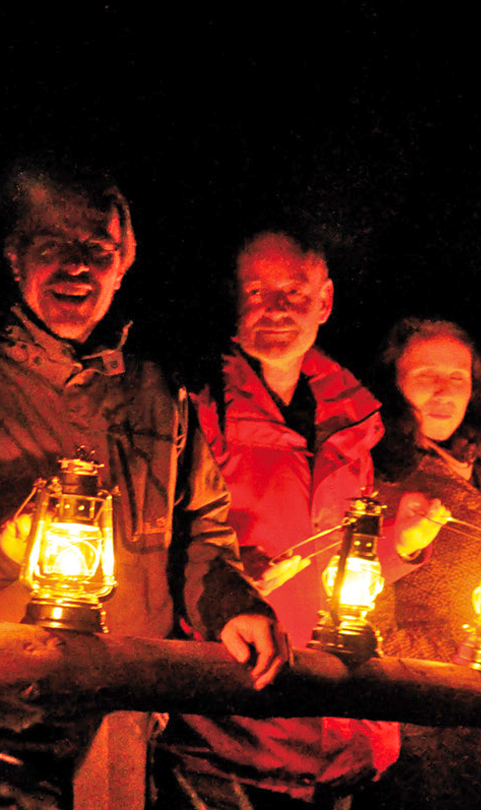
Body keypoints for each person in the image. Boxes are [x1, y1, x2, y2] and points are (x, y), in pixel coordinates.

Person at [0, 157, 287, 810]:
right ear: (14, 258)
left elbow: (200, 535)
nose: (76, 266)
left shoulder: (159, 394)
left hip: (127, 708)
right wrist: (3, 555)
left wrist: (232, 606)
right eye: (53, 247)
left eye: (96, 250)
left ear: (122, 266)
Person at [156, 232, 442, 810]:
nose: (276, 308)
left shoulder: (353, 412)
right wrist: (229, 590)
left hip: (340, 731)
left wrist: (398, 544)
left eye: (294, 290)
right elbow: (162, 550)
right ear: (231, 297)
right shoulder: (190, 404)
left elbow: (337, 567)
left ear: (325, 299)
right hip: (230, 733)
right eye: (256, 290)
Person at [367, 318, 481, 808]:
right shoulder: (379, 475)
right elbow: (359, 616)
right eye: (425, 375)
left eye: (457, 377)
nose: (443, 389)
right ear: (394, 383)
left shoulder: (469, 468)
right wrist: (455, 652)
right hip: (416, 723)